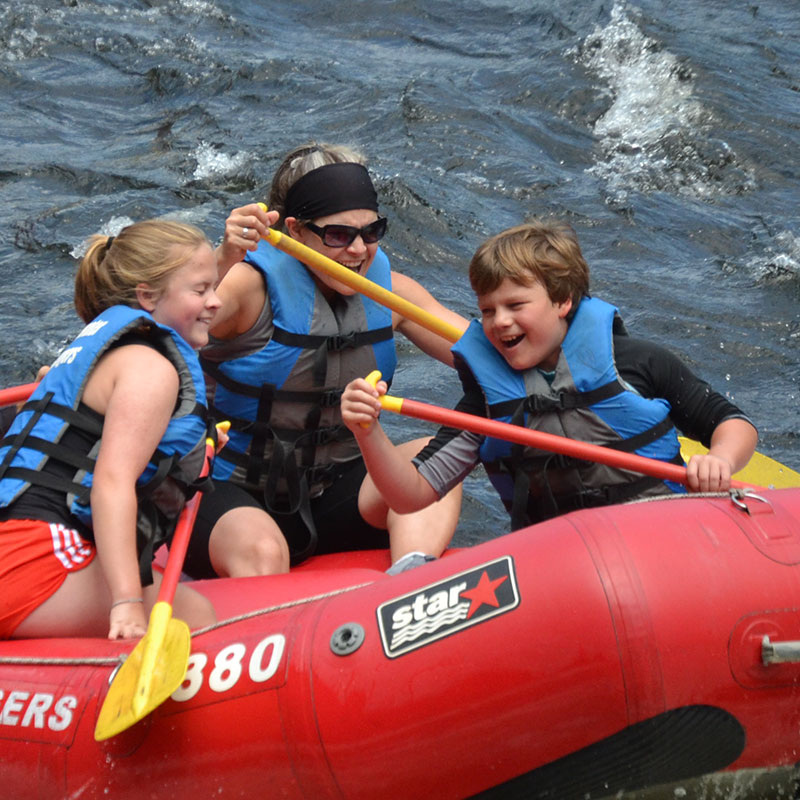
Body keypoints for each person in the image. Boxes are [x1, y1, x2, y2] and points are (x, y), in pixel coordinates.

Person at [340, 220, 759, 532]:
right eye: (487, 310)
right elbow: (410, 496)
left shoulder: (635, 362)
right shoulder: (487, 401)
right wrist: (367, 431)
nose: (499, 322)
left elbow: (730, 422)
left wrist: (719, 460)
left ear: (562, 300)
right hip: (560, 561)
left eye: (515, 305)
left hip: (663, 536)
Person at [182, 142, 468, 579]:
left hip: (333, 494)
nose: (358, 250)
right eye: (338, 235)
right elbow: (165, 328)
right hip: (229, 490)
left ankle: (410, 583)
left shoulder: (391, 294)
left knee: (438, 464)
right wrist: (223, 258)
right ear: (296, 231)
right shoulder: (246, 288)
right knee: (263, 550)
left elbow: (486, 354)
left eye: (371, 232)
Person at [0, 220, 220, 640]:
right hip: (31, 562)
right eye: (200, 290)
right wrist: (126, 604)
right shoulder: (152, 368)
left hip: (14, 548)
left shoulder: (96, 353)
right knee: (197, 617)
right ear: (147, 296)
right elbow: (111, 484)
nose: (217, 302)